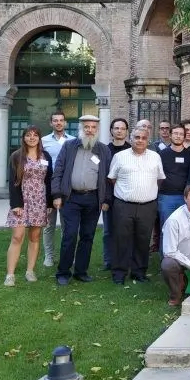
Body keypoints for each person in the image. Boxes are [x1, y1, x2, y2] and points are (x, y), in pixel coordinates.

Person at [52, 115, 112, 285]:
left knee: (87, 236)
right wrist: (56, 195)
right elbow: (58, 170)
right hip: (71, 198)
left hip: (93, 199)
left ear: (97, 130)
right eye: (86, 127)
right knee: (69, 235)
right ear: (81, 128)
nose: (90, 130)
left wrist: (106, 199)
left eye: (93, 127)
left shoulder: (103, 150)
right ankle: (63, 272)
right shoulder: (69, 146)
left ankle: (81, 271)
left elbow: (108, 178)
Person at [108, 126, 165, 285]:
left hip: (148, 206)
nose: (140, 140)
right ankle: (119, 273)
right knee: (121, 240)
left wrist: (146, 192)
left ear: (148, 140)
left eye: (143, 138)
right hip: (124, 205)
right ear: (131, 138)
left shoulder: (155, 157)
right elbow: (112, 178)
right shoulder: (119, 157)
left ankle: (139, 272)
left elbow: (159, 179)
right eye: (137, 137)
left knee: (143, 240)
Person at [4, 126, 53, 286]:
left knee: (35, 236)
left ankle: (30, 271)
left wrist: (49, 202)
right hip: (22, 200)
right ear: (23, 138)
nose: (32, 138)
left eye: (35, 135)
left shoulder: (46, 157)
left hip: (39, 201)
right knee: (17, 236)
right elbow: (12, 182)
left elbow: (48, 181)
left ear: (39, 138)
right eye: (28, 135)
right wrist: (16, 204)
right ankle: (10, 275)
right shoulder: (17, 156)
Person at [41, 110, 75, 267]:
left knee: (67, 224)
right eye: (55, 120)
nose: (59, 123)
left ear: (65, 123)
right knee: (49, 225)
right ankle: (48, 256)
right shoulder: (43, 141)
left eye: (61, 120)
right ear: (51, 123)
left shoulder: (74, 141)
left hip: (67, 187)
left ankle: (66, 255)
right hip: (48, 186)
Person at [158, 125, 190, 240]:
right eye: (175, 133)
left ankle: (182, 257)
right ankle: (166, 257)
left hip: (184, 198)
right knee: (166, 228)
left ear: (184, 136)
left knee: (184, 230)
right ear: (170, 135)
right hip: (165, 197)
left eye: (181, 134)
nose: (178, 136)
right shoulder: (162, 154)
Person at [104, 118, 131, 270]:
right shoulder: (105, 150)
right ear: (111, 131)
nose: (119, 131)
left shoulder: (131, 150)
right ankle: (109, 261)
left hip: (126, 196)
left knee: (126, 231)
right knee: (109, 231)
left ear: (126, 131)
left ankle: (126, 260)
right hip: (110, 197)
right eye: (116, 128)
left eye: (122, 128)